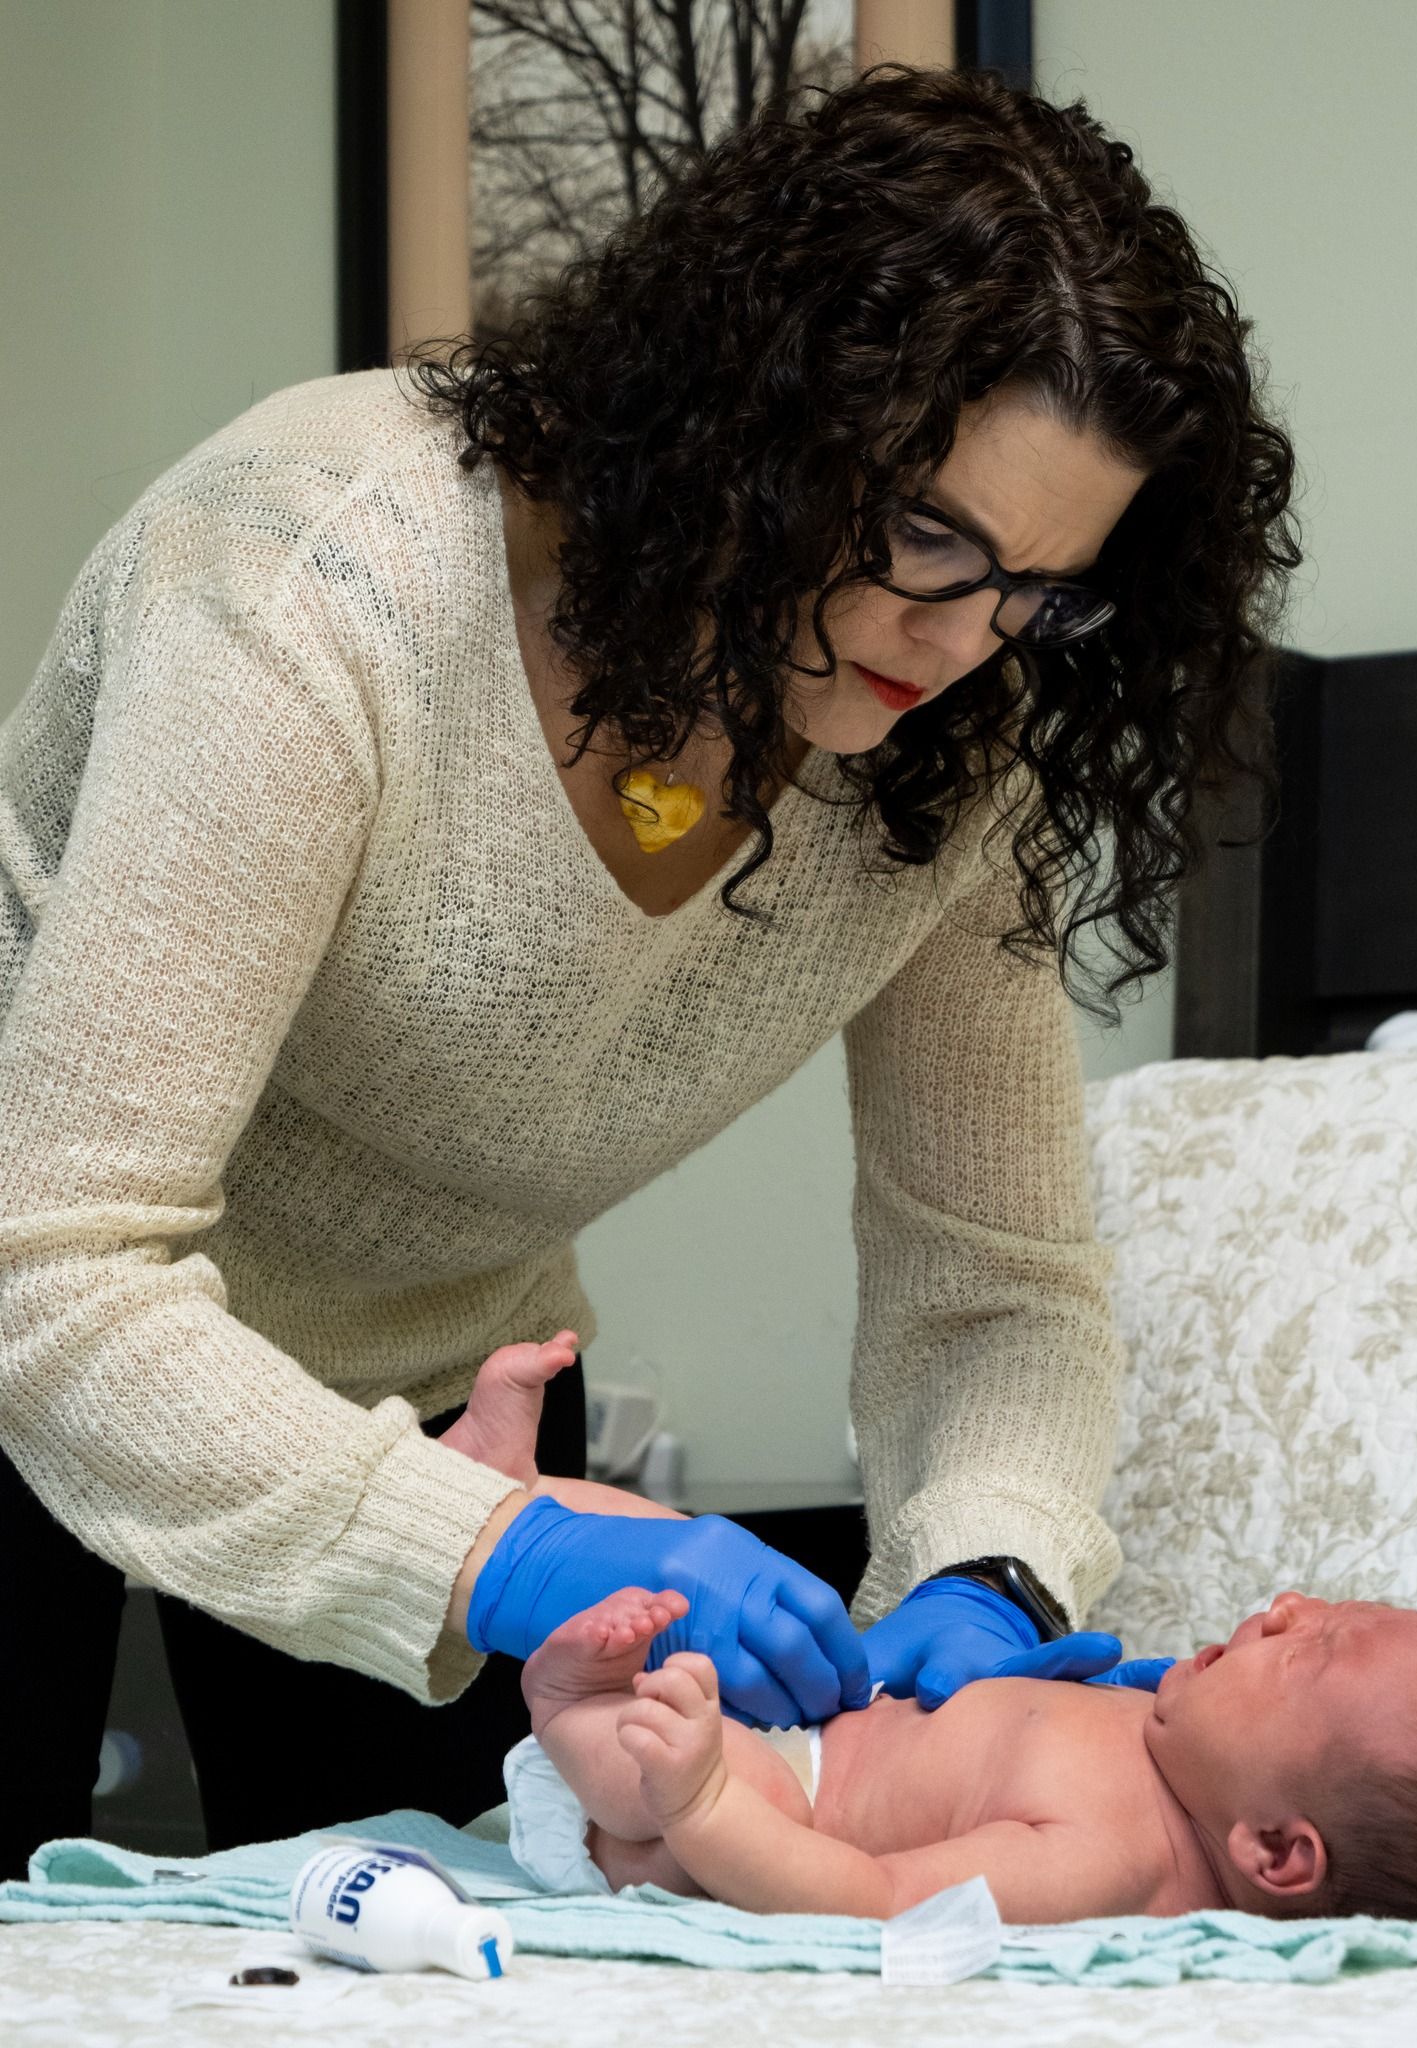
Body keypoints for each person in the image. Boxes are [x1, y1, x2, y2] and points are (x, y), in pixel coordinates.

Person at [0, 64, 1297, 1872]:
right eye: (927, 533)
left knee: (469, 1949)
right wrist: (506, 1550)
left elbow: (993, 1287)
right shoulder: (318, 574)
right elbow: (53, 1268)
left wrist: (989, 1568)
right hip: (48, 1294)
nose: (962, 640)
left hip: (454, 1392)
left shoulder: (944, 748)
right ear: (751, 416)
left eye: (1039, 589)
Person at [448, 1364, 1417, 1924]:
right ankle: (505, 1492)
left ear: (1277, 1850)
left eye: (1311, 1650)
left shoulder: (1112, 1858)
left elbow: (875, 1896)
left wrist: (708, 1804)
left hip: (770, 1812)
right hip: (823, 1714)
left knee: (682, 1754)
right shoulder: (1176, 1743)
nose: (1286, 1602)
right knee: (689, 1558)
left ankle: (568, 1700)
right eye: (1320, 1604)